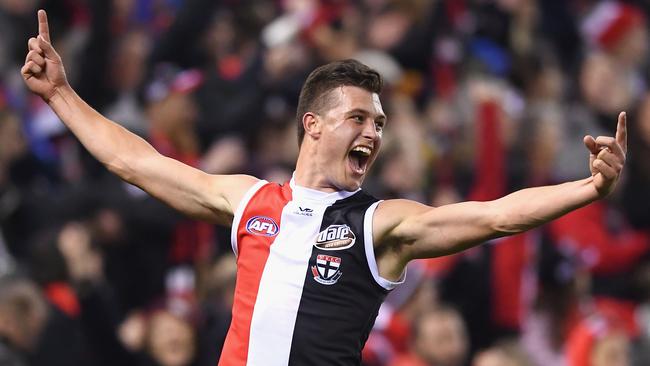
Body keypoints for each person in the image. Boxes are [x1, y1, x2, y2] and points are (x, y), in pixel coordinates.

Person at [21, 9, 628, 366]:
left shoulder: (377, 224)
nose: (374, 133)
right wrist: (60, 95)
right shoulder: (251, 201)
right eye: (359, 119)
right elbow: (138, 164)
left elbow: (493, 217)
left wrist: (586, 190)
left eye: (380, 124)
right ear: (312, 124)